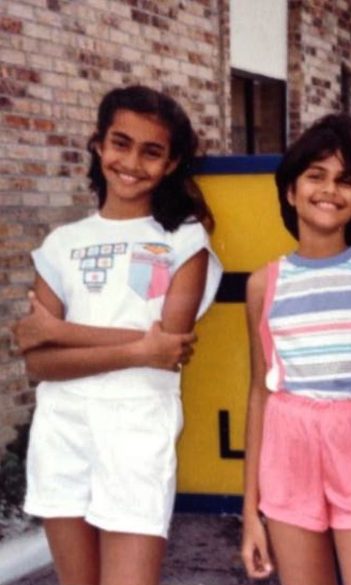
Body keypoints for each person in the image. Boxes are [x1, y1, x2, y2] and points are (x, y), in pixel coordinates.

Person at [12, 85, 222, 585]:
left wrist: (60, 331)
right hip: (64, 432)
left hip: (136, 435)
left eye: (151, 151)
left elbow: (168, 349)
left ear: (171, 164)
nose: (131, 162)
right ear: (98, 146)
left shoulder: (184, 240)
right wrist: (135, 347)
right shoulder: (62, 245)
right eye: (120, 143)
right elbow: (41, 363)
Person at [240, 114, 351, 585]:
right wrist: (250, 513)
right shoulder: (263, 284)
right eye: (315, 176)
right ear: (290, 191)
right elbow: (259, 393)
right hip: (287, 448)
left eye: (345, 180)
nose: (329, 190)